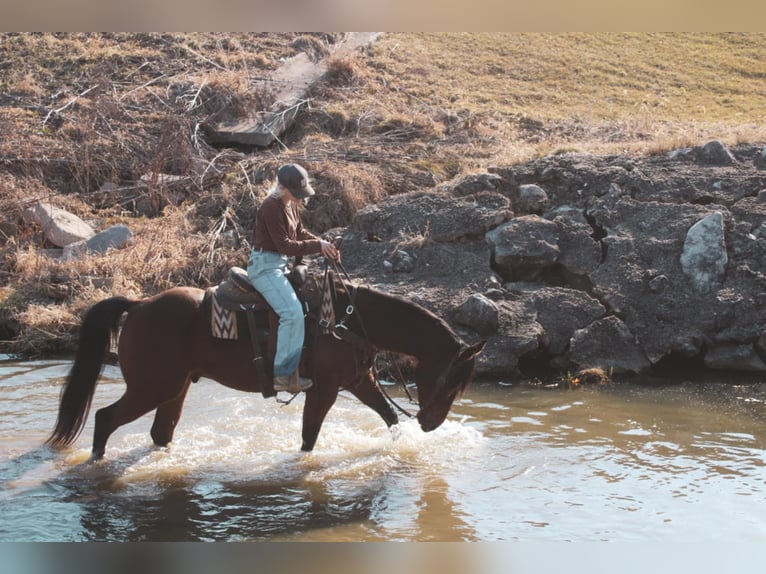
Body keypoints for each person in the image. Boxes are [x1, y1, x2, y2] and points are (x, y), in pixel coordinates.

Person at [247, 163, 340, 394]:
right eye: (296, 193)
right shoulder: (270, 207)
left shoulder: (289, 205)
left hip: (277, 265)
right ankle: (283, 375)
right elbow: (285, 245)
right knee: (292, 313)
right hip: (265, 268)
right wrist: (318, 246)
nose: (300, 199)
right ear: (283, 188)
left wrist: (324, 244)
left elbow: (299, 233)